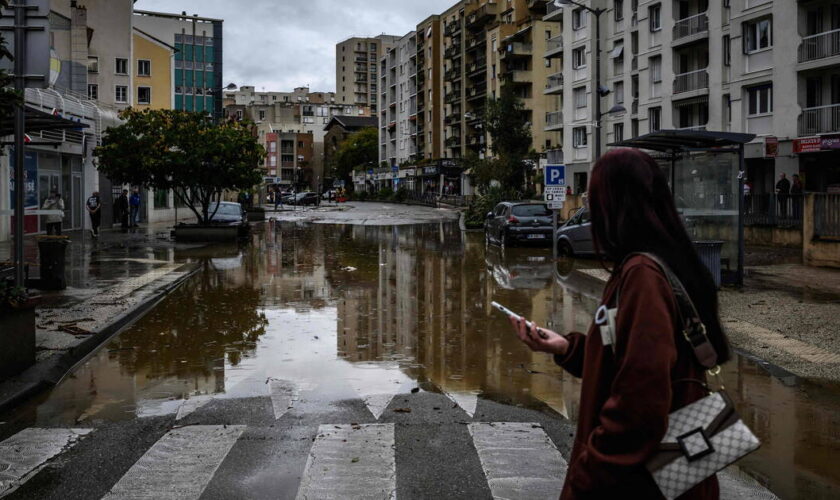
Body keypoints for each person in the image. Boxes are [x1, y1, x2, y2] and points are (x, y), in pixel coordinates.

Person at [508, 148, 729, 499]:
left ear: (614, 204)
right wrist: (567, 348)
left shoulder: (642, 274)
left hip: (644, 481)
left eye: (595, 201)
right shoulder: (665, 261)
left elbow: (639, 402)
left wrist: (586, 475)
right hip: (677, 472)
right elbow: (627, 358)